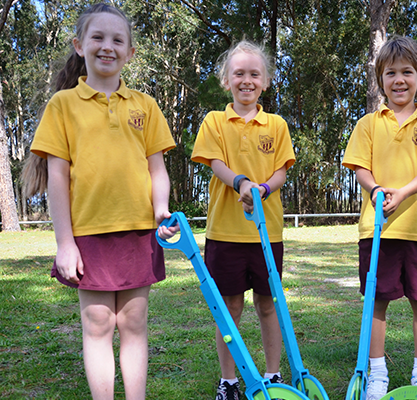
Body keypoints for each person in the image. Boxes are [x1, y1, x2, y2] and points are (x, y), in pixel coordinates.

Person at [24, 3, 177, 399]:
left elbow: (157, 169)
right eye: (97, 37)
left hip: (139, 230)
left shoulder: (145, 106)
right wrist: (65, 243)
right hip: (87, 235)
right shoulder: (62, 106)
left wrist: (161, 208)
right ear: (79, 45)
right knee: (96, 324)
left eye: (117, 40)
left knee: (134, 322)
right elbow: (56, 177)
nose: (107, 46)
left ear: (130, 52)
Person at [342, 36, 417, 400]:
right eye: (391, 73)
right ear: (381, 79)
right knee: (377, 302)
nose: (399, 80)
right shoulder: (367, 125)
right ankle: (377, 374)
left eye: (407, 72)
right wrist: (375, 189)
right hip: (377, 230)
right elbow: (359, 166)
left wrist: (403, 192)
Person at [190, 40, 295, 400]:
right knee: (229, 308)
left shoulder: (277, 125)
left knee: (268, 305)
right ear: (226, 80)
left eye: (254, 74)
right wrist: (240, 182)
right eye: (239, 73)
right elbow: (216, 164)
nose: (246, 80)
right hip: (225, 233)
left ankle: (273, 374)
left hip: (268, 234)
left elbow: (282, 171)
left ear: (265, 81)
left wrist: (262, 189)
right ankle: (229, 381)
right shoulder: (215, 122)